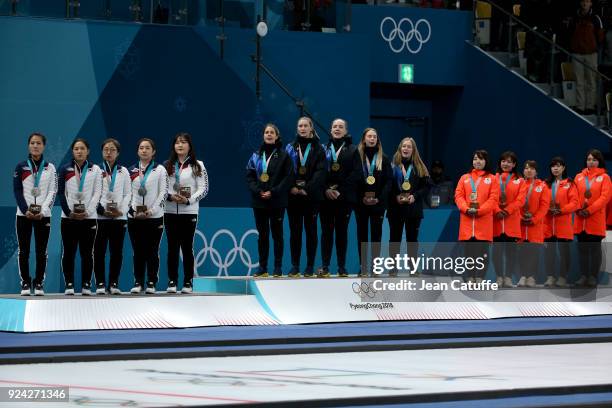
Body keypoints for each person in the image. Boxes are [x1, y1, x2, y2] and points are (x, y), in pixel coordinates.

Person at [246, 124, 294, 278]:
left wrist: (273, 192)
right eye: (266, 132)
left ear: (277, 136)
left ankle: (278, 267)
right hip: (259, 201)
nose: (269, 134)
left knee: (277, 234)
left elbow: (288, 177)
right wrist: (259, 191)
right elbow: (250, 176)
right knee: (263, 235)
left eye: (272, 132)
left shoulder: (284, 155)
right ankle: (262, 267)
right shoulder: (255, 155)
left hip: (277, 201)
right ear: (263, 135)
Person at [164, 132, 209, 293]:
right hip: (169, 211)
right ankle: (172, 281)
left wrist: (188, 200)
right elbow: (161, 189)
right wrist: (170, 196)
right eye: (177, 143)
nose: (180, 145)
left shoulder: (198, 165)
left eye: (183, 142)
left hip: (189, 211)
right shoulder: (167, 165)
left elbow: (204, 189)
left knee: (187, 246)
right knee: (172, 247)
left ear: (189, 145)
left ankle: (188, 281)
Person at [14, 132, 57, 296]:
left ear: (43, 146)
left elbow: (53, 191)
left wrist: (44, 211)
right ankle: (25, 282)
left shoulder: (50, 167)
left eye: (38, 143)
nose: (35, 146)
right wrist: (26, 210)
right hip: (23, 215)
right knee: (23, 250)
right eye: (32, 143)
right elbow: (17, 191)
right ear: (28, 146)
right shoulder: (21, 166)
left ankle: (38, 283)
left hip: (43, 216)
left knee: (41, 251)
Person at [58, 138, 102, 295]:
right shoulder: (64, 169)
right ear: (73, 151)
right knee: (69, 252)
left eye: (82, 148)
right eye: (76, 148)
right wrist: (69, 212)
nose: (79, 151)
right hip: (68, 218)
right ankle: (69, 284)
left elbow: (98, 192)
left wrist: (88, 211)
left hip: (88, 218)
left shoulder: (95, 169)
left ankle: (86, 284)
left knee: (86, 253)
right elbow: (61, 193)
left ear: (88, 151)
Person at [318, 119, 361, 278]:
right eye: (334, 126)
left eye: (340, 127)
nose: (337, 129)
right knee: (326, 232)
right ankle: (325, 266)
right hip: (326, 197)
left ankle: (342, 267)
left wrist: (340, 191)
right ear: (330, 130)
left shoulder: (353, 150)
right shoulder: (323, 149)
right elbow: (318, 172)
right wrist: (326, 190)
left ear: (346, 131)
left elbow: (356, 173)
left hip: (344, 198)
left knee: (341, 232)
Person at [285, 117, 327, 278]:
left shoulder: (319, 149)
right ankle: (295, 266)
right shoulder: (290, 148)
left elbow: (321, 172)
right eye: (300, 126)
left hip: (311, 197)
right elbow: (286, 171)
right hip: (294, 197)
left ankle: (309, 266)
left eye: (305, 126)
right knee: (295, 232)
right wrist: (293, 188)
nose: (302, 128)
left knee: (311, 231)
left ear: (311, 128)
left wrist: (306, 189)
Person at [127, 138, 169, 294]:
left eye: (147, 148)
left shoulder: (160, 170)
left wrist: (151, 211)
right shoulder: (130, 170)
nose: (144, 150)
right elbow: (128, 194)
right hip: (135, 218)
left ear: (153, 152)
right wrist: (133, 211)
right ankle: (138, 282)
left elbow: (163, 193)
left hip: (155, 217)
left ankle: (151, 282)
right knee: (138, 251)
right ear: (137, 151)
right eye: (141, 148)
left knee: (152, 250)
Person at [387, 137, 430, 277]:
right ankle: (393, 269)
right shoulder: (393, 166)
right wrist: (395, 196)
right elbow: (387, 185)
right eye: (403, 146)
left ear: (413, 150)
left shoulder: (419, 167)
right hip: (396, 207)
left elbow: (426, 187)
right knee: (394, 239)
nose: (406, 149)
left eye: (409, 147)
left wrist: (415, 196)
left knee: (412, 239)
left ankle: (413, 269)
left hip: (413, 208)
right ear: (400, 148)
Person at [93, 139, 132, 295]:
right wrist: (101, 211)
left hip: (119, 218)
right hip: (99, 217)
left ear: (118, 153)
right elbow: (92, 193)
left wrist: (121, 211)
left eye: (112, 150)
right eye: (106, 149)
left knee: (116, 252)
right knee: (99, 251)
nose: (109, 152)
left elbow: (128, 193)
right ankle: (101, 283)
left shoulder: (124, 171)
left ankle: (114, 283)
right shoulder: (95, 170)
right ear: (102, 152)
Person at [454, 150, 498, 283]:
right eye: (475, 159)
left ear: (486, 161)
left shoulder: (492, 178)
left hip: (483, 222)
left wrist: (480, 211)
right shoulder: (464, 178)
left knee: (482, 252)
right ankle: (470, 277)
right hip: (467, 222)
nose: (477, 162)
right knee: (469, 252)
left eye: (480, 159)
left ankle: (480, 277)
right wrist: (466, 209)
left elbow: (493, 199)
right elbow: (458, 196)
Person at [355, 128, 392, 277]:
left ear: (377, 140)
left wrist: (379, 198)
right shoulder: (356, 157)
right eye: (369, 136)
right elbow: (353, 180)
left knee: (376, 235)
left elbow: (389, 181)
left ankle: (376, 268)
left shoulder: (383, 158)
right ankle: (363, 267)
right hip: (360, 203)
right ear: (364, 139)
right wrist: (361, 197)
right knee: (362, 235)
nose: (372, 139)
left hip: (378, 204)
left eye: (374, 137)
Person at [573, 149, 611, 287]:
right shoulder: (578, 177)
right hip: (580, 219)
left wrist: (589, 210)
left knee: (595, 250)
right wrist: (577, 208)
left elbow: (605, 198)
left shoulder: (605, 177)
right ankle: (583, 276)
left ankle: (593, 277)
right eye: (589, 159)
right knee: (582, 250)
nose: (591, 162)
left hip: (595, 219)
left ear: (599, 161)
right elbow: (573, 196)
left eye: (594, 160)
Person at [543, 157, 579, 288]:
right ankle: (550, 277)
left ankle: (563, 277)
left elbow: (575, 203)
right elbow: (540, 202)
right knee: (549, 252)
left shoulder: (570, 183)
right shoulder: (545, 184)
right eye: (553, 166)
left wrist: (561, 210)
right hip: (548, 224)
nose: (555, 168)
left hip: (563, 223)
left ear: (563, 168)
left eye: (558, 166)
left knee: (564, 252)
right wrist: (546, 209)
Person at [492, 151, 525, 288]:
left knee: (511, 252)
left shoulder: (520, 180)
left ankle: (508, 278)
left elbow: (520, 200)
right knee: (497, 252)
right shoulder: (493, 178)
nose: (506, 164)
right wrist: (498, 210)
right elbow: (490, 198)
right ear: (500, 163)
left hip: (512, 221)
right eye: (503, 161)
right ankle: (499, 277)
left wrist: (507, 210)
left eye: (509, 162)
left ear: (514, 164)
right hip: (496, 221)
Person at [516, 160, 550, 287]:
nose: (528, 170)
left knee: (533, 252)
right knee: (522, 252)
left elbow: (544, 206)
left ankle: (531, 277)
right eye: (526, 168)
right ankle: (523, 276)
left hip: (535, 225)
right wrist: (519, 217)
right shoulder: (518, 184)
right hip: (520, 225)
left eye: (532, 168)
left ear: (536, 171)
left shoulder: (542, 186)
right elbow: (515, 204)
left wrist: (534, 219)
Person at [569, 0, 604, 115]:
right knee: (579, 81)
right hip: (577, 54)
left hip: (591, 54)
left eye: (587, 2)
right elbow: (569, 32)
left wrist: (593, 47)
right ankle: (580, 107)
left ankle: (589, 106)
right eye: (583, 1)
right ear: (580, 3)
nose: (585, 4)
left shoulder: (596, 18)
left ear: (591, 4)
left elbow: (600, 35)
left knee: (591, 82)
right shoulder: (574, 17)